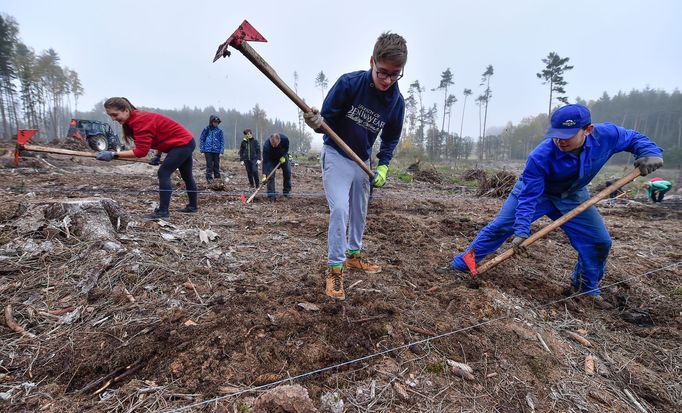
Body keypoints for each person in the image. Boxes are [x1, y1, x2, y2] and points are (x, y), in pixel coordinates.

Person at [449, 104, 663, 304]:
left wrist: (651, 153)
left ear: (587, 130)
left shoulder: (607, 135)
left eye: (566, 137)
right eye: (556, 135)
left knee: (599, 241)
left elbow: (634, 138)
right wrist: (522, 229)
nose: (560, 141)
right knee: (501, 227)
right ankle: (461, 265)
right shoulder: (541, 156)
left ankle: (586, 286)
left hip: (572, 195)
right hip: (536, 192)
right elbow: (529, 196)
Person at [304, 32, 407, 300]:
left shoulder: (397, 102)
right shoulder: (349, 84)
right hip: (337, 154)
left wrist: (383, 165)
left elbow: (391, 136)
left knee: (359, 211)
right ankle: (335, 268)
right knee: (340, 209)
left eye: (395, 75)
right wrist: (315, 122)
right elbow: (323, 120)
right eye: (382, 72)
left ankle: (353, 255)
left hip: (362, 160)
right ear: (372, 61)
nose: (387, 80)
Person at [96, 97, 198, 219]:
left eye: (115, 114)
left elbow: (140, 152)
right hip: (185, 142)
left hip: (182, 144)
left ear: (125, 110)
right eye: (110, 116)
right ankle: (192, 207)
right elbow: (162, 137)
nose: (113, 119)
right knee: (186, 176)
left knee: (164, 173)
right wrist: (158, 155)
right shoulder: (135, 118)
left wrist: (113, 155)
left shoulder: (140, 122)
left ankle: (163, 212)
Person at [261, 133, 290, 201]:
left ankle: (287, 193)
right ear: (270, 140)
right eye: (272, 144)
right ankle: (271, 196)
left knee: (287, 173)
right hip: (271, 159)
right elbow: (265, 161)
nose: (273, 146)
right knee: (270, 176)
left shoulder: (285, 139)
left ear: (279, 140)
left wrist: (284, 155)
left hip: (282, 157)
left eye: (275, 144)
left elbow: (286, 149)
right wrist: (264, 175)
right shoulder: (266, 146)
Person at [199, 115, 224, 183]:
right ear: (211, 122)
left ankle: (217, 179)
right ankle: (209, 179)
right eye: (215, 122)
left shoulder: (220, 131)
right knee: (209, 165)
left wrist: (221, 151)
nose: (216, 123)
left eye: (217, 122)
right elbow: (202, 139)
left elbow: (222, 141)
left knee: (216, 165)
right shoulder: (206, 129)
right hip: (208, 151)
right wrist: (202, 150)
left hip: (217, 151)